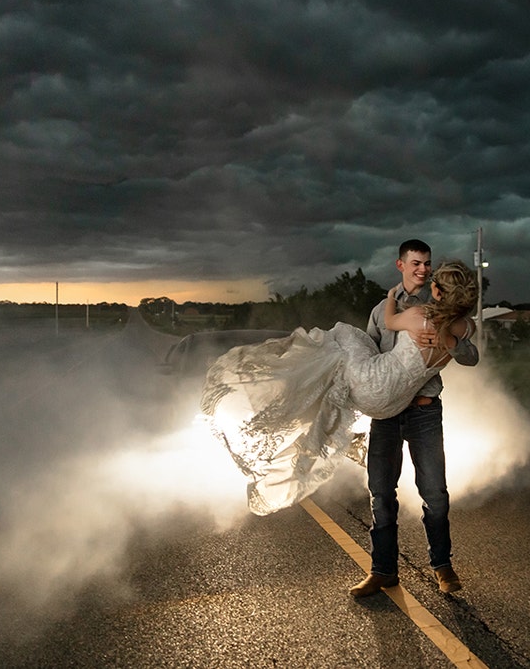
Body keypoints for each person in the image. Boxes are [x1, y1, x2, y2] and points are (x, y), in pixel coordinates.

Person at [198, 257, 479, 522]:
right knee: (342, 359)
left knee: (344, 334)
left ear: (439, 293)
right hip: (390, 405)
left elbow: (390, 321)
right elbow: (468, 333)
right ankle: (350, 434)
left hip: (372, 383)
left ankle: (293, 393)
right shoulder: (461, 330)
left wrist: (392, 297)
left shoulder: (419, 316)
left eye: (434, 283)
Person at [349, 240, 479, 599]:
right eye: (417, 263)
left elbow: (471, 355)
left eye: (428, 264)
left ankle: (443, 566)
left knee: (435, 493)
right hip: (388, 415)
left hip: (424, 411)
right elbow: (370, 358)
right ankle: (383, 572)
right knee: (380, 493)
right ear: (401, 265)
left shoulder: (445, 312)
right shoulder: (381, 311)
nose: (423, 269)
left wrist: (450, 341)